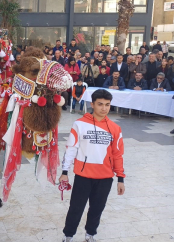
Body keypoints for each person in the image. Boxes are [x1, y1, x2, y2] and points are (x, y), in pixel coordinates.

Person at [60, 89, 125, 242]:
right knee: (76, 208)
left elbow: (117, 154)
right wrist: (65, 171)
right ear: (92, 104)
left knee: (97, 209)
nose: (104, 108)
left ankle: (90, 234)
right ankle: (68, 235)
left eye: (107, 105)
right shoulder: (79, 124)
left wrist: (120, 178)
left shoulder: (115, 128)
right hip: (83, 176)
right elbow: (71, 149)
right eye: (100, 104)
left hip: (105, 177)